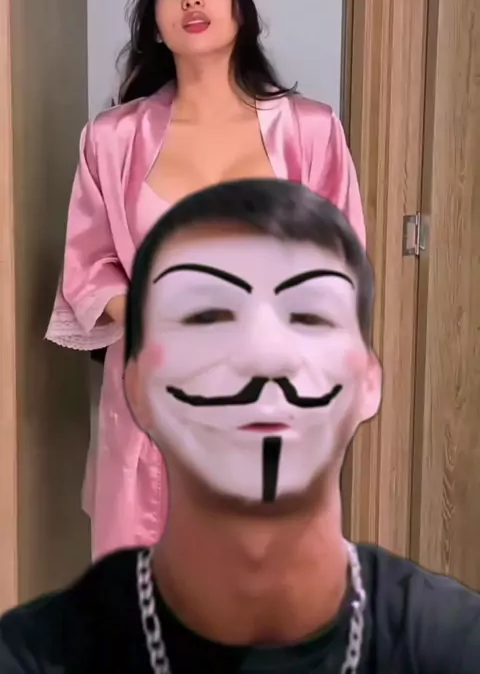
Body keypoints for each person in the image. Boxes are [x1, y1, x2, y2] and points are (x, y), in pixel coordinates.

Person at [2, 179, 479, 673]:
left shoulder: (453, 644)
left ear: (368, 382)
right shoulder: (34, 655)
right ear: (136, 384)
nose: (264, 355)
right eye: (206, 315)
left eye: (309, 315)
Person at [45, 0, 366, 560]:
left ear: (240, 7)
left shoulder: (310, 131)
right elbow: (88, 266)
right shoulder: (113, 139)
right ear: (156, 24)